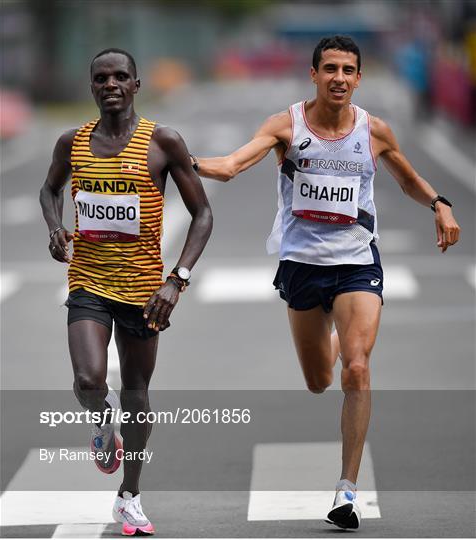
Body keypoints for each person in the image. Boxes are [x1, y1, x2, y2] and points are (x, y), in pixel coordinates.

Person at [191, 35, 460, 530]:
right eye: (330, 68)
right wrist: (181, 163)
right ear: (313, 75)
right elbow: (230, 166)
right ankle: (338, 331)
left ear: (359, 78)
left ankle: (347, 490)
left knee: (356, 370)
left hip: (358, 263)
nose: (339, 78)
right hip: (301, 266)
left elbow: (407, 180)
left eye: (348, 70)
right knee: (319, 380)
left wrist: (440, 203)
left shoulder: (373, 131)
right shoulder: (285, 126)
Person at [40, 48, 212, 536]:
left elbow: (202, 213)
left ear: (136, 84)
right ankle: (100, 422)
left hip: (144, 291)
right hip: (88, 283)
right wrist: (55, 227)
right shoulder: (71, 142)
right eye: (101, 78)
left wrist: (176, 280)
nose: (110, 84)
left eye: (120, 76)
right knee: (90, 380)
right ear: (91, 86)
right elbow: (49, 190)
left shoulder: (163, 142)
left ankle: (129, 496)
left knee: (137, 394)